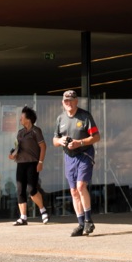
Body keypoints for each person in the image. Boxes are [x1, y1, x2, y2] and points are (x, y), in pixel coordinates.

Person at [54, 88, 100, 236]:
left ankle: (88, 220)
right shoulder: (60, 118)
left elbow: (96, 137)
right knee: (73, 191)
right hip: (69, 157)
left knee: (81, 186)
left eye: (72, 100)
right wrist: (60, 141)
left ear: (76, 101)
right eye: (66, 101)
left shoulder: (85, 116)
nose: (69, 103)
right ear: (63, 102)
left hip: (84, 154)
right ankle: (81, 224)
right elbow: (54, 140)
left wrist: (79, 143)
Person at [12, 106, 50, 226]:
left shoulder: (36, 131)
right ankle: (23, 217)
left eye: (22, 117)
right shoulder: (20, 133)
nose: (20, 119)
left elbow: (43, 147)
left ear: (28, 119)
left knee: (32, 189)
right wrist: (12, 154)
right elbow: (17, 148)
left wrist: (40, 162)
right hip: (20, 163)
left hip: (32, 163)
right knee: (20, 190)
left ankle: (42, 210)